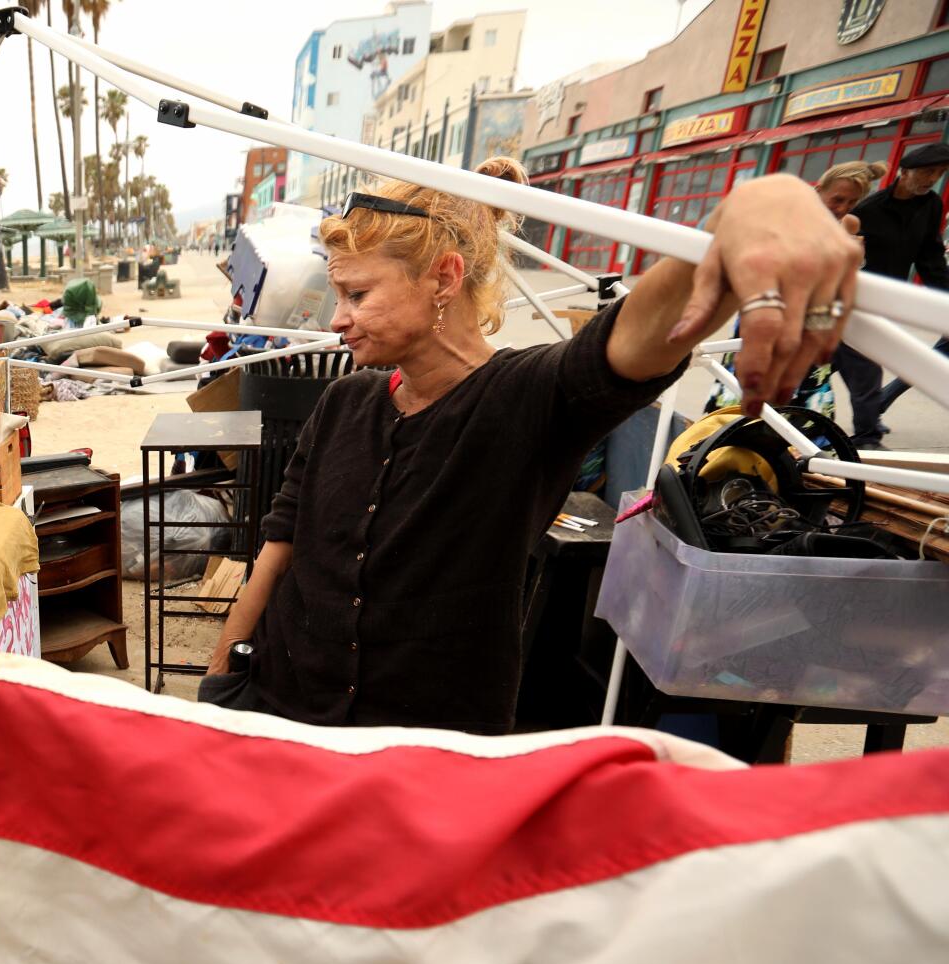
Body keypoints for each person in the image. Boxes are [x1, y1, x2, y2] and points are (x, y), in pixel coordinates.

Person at [202, 157, 863, 734]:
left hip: (427, 754)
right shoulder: (345, 402)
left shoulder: (526, 399)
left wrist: (747, 210)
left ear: (444, 277)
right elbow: (280, 542)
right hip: (279, 709)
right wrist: (225, 670)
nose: (337, 317)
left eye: (357, 293)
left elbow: (628, 343)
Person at [704, 159, 882, 417]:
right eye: (837, 199)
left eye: (852, 202)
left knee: (806, 391)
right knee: (745, 389)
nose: (842, 208)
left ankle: (792, 451)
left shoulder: (849, 225)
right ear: (818, 189)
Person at [830, 142, 949, 446]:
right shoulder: (867, 209)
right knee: (854, 367)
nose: (931, 178)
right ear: (904, 172)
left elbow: (930, 257)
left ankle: (867, 424)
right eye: (925, 172)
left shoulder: (932, 205)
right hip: (851, 300)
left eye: (939, 172)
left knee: (858, 366)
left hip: (888, 303)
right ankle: (866, 434)